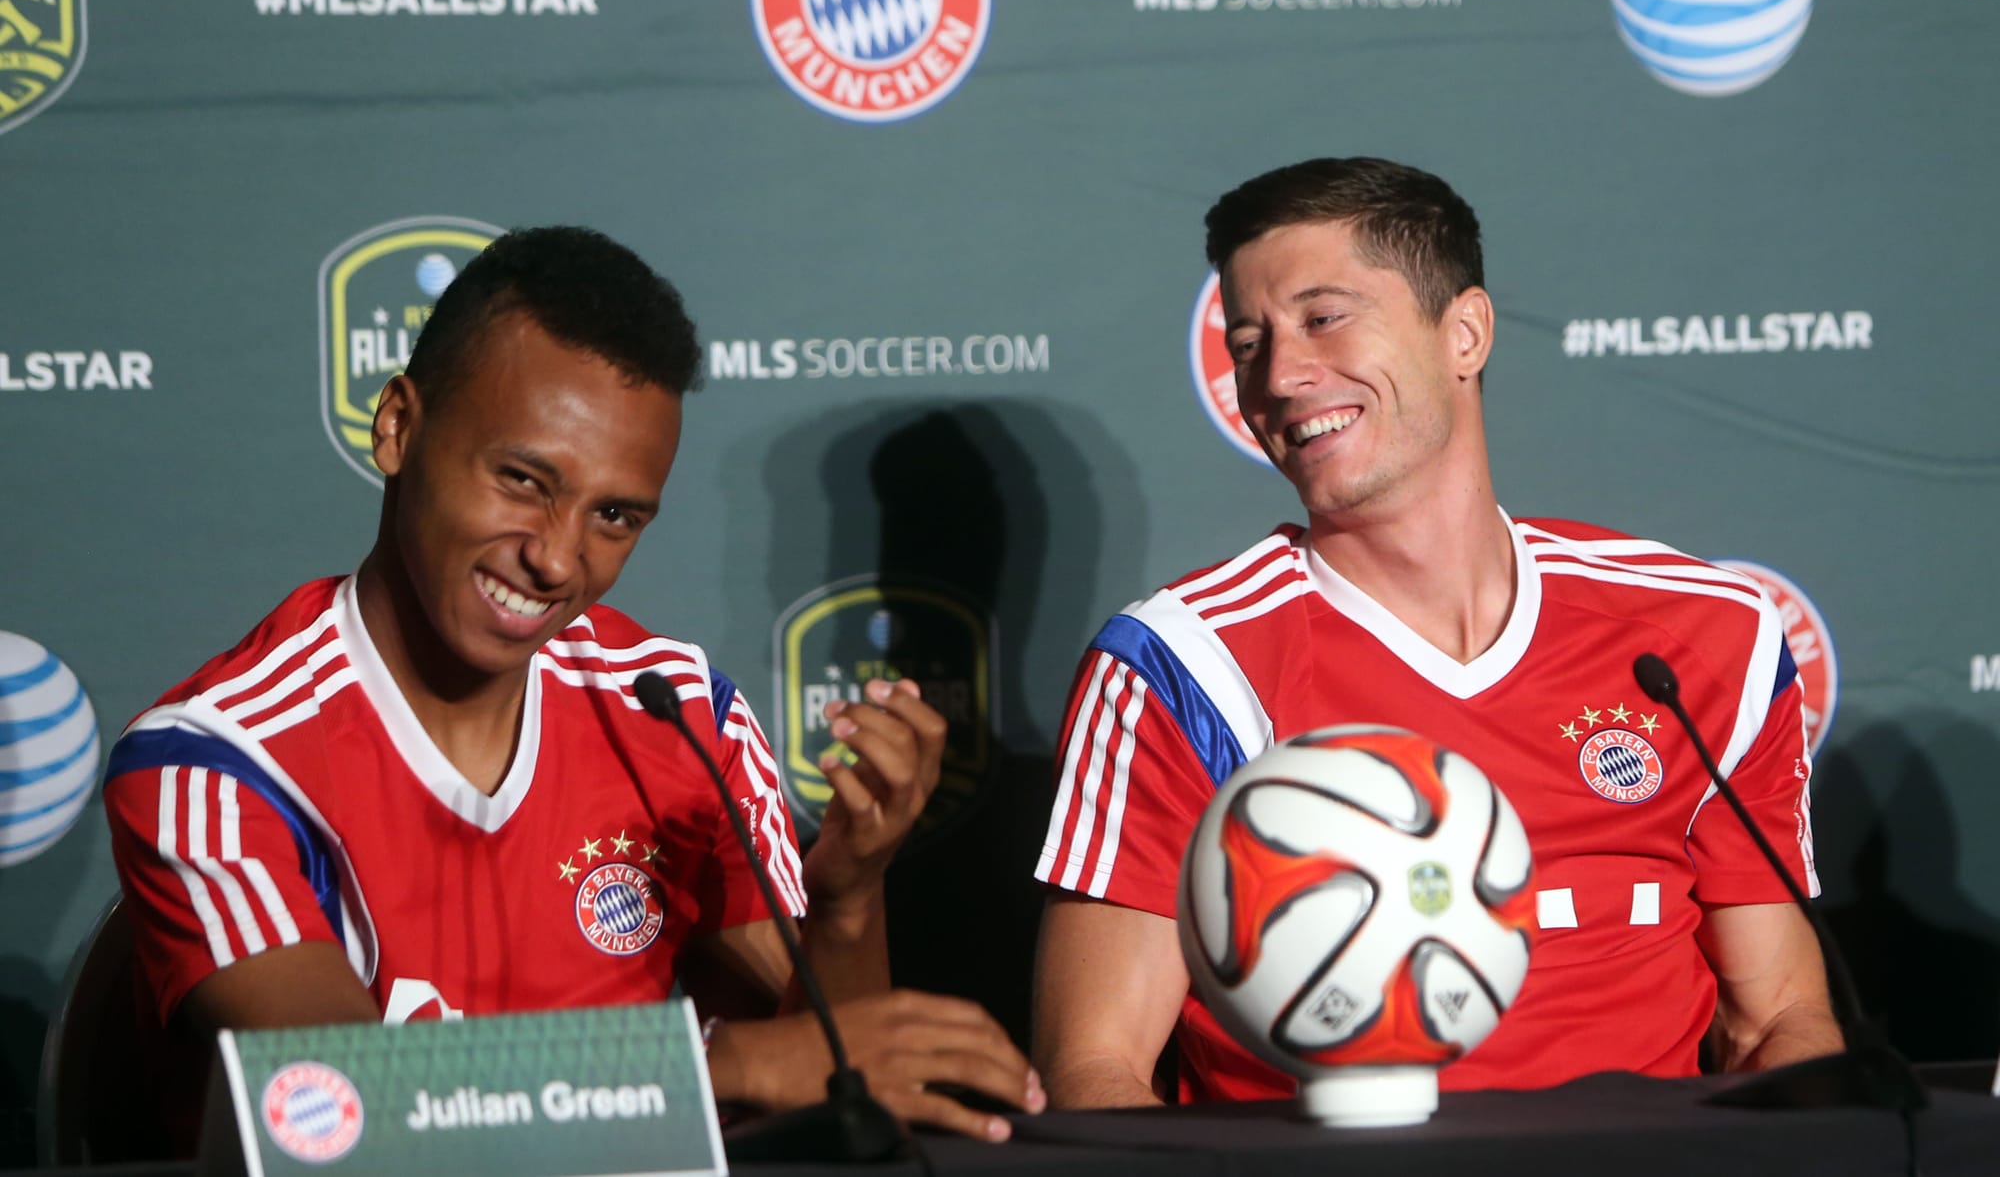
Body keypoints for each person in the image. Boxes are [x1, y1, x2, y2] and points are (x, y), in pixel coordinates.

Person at [103, 226, 1041, 1147]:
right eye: (523, 480)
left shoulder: (681, 713)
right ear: (397, 427)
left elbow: (836, 1103)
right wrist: (724, 1064)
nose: (557, 558)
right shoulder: (212, 762)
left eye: (615, 515)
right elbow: (347, 1111)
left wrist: (847, 900)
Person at [1029, 158, 1841, 1106]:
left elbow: (1777, 1016)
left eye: (1324, 319)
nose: (1279, 377)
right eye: (1249, 344)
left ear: (1465, 333)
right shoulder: (1184, 670)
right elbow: (1094, 1070)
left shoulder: (1704, 634)